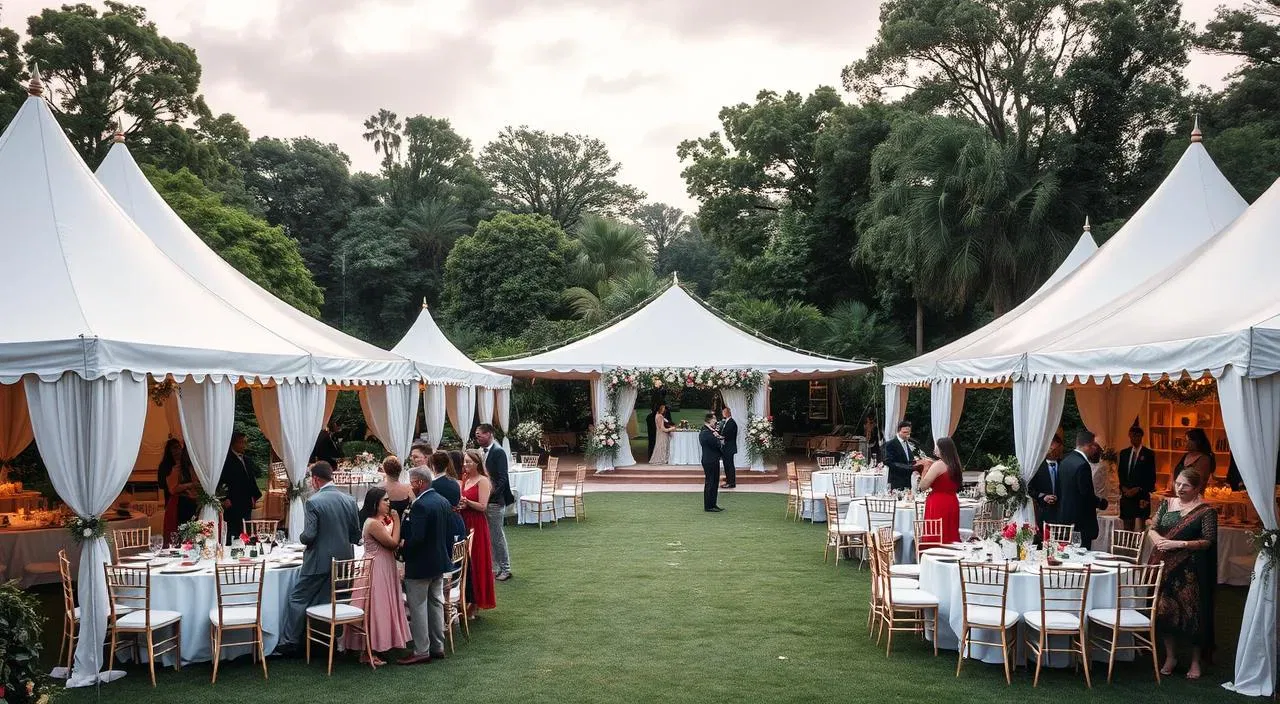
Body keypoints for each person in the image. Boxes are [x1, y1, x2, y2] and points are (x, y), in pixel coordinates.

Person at [279, 462, 361, 653]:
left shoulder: (314, 502)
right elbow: (355, 535)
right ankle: (326, 638)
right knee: (332, 598)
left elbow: (309, 536)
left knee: (298, 597)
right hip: (343, 561)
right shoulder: (349, 500)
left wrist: (300, 537)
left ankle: (292, 641)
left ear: (315, 479)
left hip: (318, 562)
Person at [1147, 467, 1218, 680]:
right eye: (1178, 483)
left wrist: (1179, 543)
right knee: (1164, 612)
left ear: (1197, 488)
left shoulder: (1206, 511)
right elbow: (1153, 526)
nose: (1179, 488)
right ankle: (1171, 656)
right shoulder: (1166, 504)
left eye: (1185, 485)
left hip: (1191, 572)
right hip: (1164, 568)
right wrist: (1157, 539)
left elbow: (1208, 541)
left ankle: (1195, 661)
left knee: (1192, 615)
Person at [345, 487, 410, 665]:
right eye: (386, 500)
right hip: (376, 568)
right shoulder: (372, 523)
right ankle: (367, 651)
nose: (389, 503)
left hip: (384, 566)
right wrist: (397, 521)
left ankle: (380, 644)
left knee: (383, 605)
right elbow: (392, 543)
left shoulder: (378, 521)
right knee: (375, 607)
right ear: (376, 503)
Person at [398, 466, 453, 665]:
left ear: (420, 483)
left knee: (418, 606)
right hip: (438, 562)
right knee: (436, 603)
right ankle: (438, 646)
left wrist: (403, 544)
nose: (410, 486)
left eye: (411, 482)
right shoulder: (442, 501)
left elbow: (417, 538)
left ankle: (422, 650)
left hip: (421, 564)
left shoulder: (421, 505)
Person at [458, 449, 497, 613]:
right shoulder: (465, 478)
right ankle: (466, 598)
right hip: (464, 521)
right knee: (465, 561)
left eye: (469, 462)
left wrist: (467, 501)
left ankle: (476, 603)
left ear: (477, 463)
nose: (466, 465)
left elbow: (482, 506)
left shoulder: (483, 481)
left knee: (477, 561)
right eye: (465, 461)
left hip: (477, 524)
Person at [475, 424, 514, 582]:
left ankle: (505, 568)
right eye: (476, 435)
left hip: (495, 501)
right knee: (489, 535)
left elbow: (503, 478)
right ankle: (494, 567)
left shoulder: (498, 452)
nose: (477, 438)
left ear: (489, 434)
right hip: (485, 501)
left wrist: (492, 495)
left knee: (497, 535)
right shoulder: (480, 452)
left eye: (480, 435)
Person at [1056, 430, 1108, 548]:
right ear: (1088, 445)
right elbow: (1086, 494)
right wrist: (1101, 503)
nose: (1095, 449)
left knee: (1069, 554)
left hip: (1065, 519)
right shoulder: (1082, 465)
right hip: (1081, 523)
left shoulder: (1065, 461)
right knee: (1081, 553)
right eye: (1094, 445)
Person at [219, 432, 262, 544]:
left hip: (246, 499)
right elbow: (222, 480)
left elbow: (250, 478)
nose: (244, 445)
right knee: (233, 529)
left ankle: (246, 545)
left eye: (244, 442)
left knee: (245, 526)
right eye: (241, 443)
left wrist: (254, 495)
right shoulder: (226, 460)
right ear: (233, 443)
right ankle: (232, 547)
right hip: (233, 500)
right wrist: (224, 498)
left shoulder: (247, 459)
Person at [918, 436, 963, 544]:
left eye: (936, 447)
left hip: (938, 502)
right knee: (950, 532)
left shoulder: (938, 465)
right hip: (952, 501)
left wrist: (925, 468)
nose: (934, 450)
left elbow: (923, 486)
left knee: (936, 533)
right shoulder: (956, 464)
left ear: (942, 449)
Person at [158, 439, 198, 544]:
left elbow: (196, 482)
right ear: (169, 451)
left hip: (191, 501)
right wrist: (190, 485)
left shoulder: (188, 466)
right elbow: (172, 489)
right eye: (174, 448)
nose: (177, 451)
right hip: (177, 503)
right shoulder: (169, 467)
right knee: (178, 531)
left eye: (178, 448)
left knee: (192, 531)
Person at [1118, 427, 1158, 531]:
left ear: (1141, 436)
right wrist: (1123, 488)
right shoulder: (1124, 453)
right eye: (1131, 436)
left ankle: (1140, 545)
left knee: (1141, 526)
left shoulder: (1148, 454)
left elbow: (1151, 476)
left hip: (1141, 495)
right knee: (1127, 524)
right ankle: (1127, 544)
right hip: (1127, 495)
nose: (1133, 438)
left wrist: (1139, 488)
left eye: (1135, 436)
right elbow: (1121, 473)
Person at [429, 451, 467, 546]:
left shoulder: (432, 486)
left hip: (442, 525)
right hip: (456, 521)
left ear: (433, 466)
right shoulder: (454, 482)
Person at [1029, 435, 1065, 527]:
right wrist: (1043, 497)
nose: (1054, 451)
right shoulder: (1036, 467)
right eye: (1051, 448)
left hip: (1063, 514)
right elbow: (1030, 489)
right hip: (1044, 513)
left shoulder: (1065, 465)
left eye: (1057, 448)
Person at [882, 421, 925, 490]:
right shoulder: (890, 444)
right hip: (896, 479)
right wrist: (909, 468)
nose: (907, 435)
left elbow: (909, 459)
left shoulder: (910, 443)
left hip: (908, 479)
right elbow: (888, 462)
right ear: (899, 432)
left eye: (909, 432)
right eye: (904, 432)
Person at [699, 413, 723, 512]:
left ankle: (713, 503)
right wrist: (718, 439)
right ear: (709, 420)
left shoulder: (710, 432)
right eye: (714, 420)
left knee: (715, 482)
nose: (716, 421)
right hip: (709, 460)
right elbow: (715, 444)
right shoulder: (705, 432)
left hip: (713, 459)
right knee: (710, 482)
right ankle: (708, 505)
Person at [718, 406, 739, 489]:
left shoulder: (731, 422)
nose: (723, 413)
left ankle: (731, 482)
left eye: (724, 412)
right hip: (726, 447)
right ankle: (728, 480)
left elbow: (728, 434)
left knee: (729, 465)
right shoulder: (727, 422)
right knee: (727, 465)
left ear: (727, 413)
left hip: (729, 447)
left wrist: (720, 436)